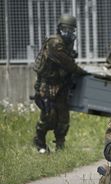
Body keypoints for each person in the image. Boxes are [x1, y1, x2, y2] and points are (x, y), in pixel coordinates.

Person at [32, 14, 88, 153]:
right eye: (65, 29)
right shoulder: (55, 43)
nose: (69, 33)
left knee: (63, 117)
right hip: (48, 85)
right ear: (59, 28)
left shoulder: (67, 42)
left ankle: (60, 145)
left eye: (71, 30)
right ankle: (39, 143)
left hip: (62, 84)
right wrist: (82, 71)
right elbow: (67, 63)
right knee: (48, 116)